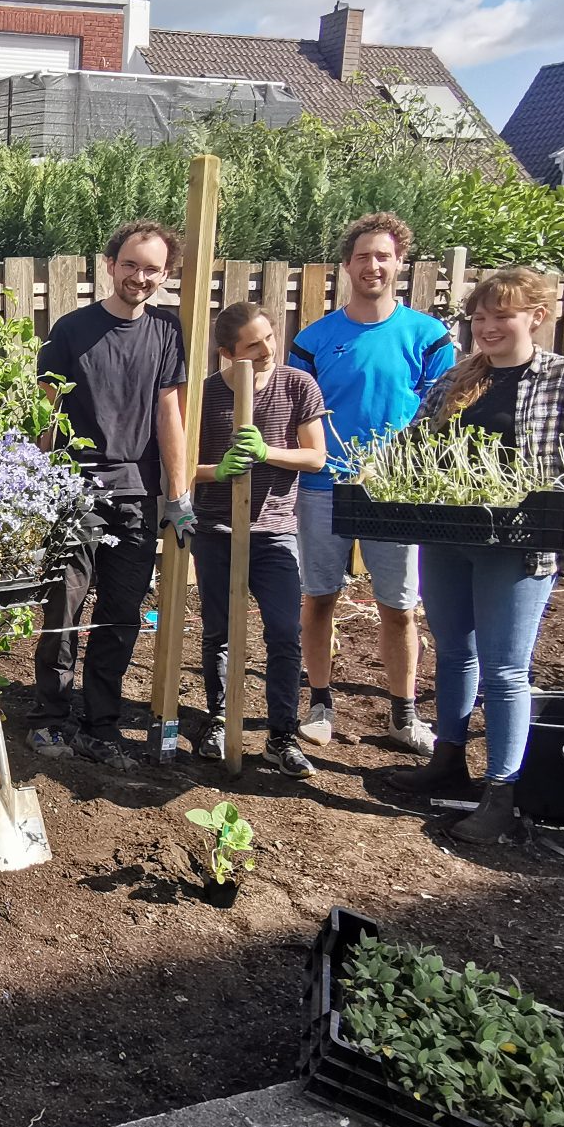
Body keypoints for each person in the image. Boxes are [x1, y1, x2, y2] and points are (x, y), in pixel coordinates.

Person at [405, 267, 564, 843]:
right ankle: (448, 759)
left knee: (506, 667)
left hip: (521, 545)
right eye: (479, 317)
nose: (486, 327)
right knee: (454, 650)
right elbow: (416, 442)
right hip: (447, 537)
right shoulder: (459, 379)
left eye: (500, 316)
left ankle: (502, 792)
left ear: (535, 316)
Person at [29, 219, 196, 772]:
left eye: (152, 268)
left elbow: (169, 413)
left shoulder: (168, 333)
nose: (140, 276)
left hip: (137, 494)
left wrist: (178, 494)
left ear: (164, 274)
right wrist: (32, 484)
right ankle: (50, 717)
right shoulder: (72, 330)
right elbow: (46, 413)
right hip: (73, 489)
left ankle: (101, 723)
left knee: (121, 613)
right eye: (131, 264)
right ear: (110, 265)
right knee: (65, 603)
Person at [290, 213, 453, 754]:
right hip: (323, 489)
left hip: (392, 493)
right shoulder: (315, 340)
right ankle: (319, 704)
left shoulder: (428, 337)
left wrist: (399, 467)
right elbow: (296, 412)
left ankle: (403, 715)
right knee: (318, 599)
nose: (373, 265)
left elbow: (441, 412)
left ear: (400, 263)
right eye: (363, 256)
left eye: (383, 256)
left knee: (399, 606)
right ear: (347, 265)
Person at [192, 302, 327, 778]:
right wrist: (217, 471)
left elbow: (315, 458)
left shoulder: (297, 385)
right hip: (216, 529)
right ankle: (220, 721)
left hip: (274, 530)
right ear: (229, 353)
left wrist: (268, 452)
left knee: (284, 633)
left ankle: (281, 735)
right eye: (253, 344)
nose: (268, 348)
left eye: (270, 336)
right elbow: (183, 466)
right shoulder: (205, 395)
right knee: (220, 632)